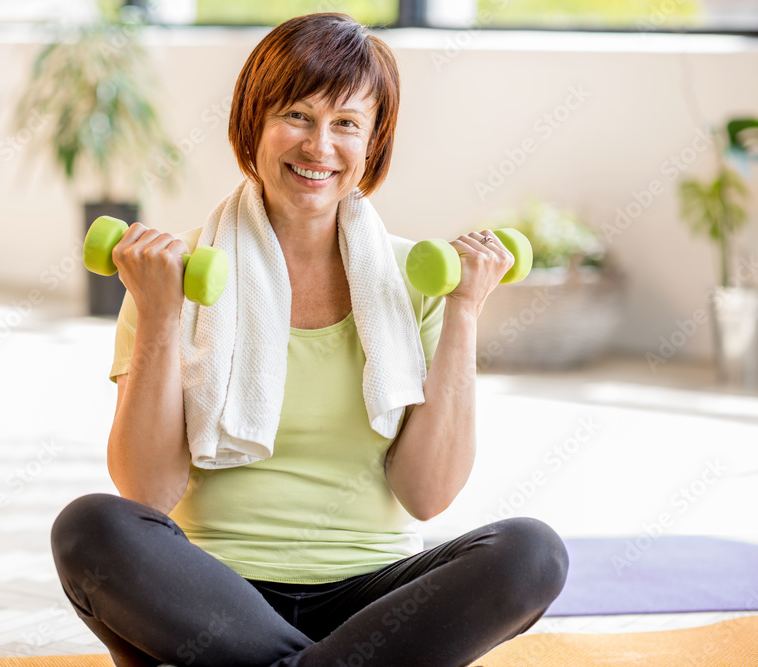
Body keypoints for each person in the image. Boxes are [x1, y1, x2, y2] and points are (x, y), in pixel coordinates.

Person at [51, 12, 568, 667]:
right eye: (296, 115)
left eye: (347, 123)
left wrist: (464, 307)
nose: (320, 146)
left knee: (532, 551)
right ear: (253, 125)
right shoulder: (170, 274)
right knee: (89, 527)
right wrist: (157, 314)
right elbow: (147, 491)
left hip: (373, 599)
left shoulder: (420, 283)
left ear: (372, 143)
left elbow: (426, 493)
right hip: (212, 598)